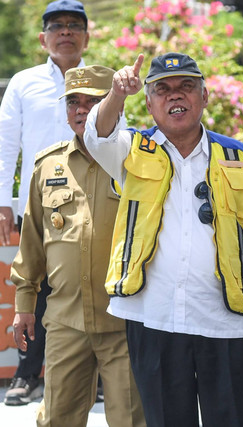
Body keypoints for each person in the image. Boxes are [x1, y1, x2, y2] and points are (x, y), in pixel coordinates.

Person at [83, 52, 243, 427]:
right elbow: (96, 136)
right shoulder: (132, 149)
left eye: (186, 87)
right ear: (149, 103)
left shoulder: (238, 155)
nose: (175, 96)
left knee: (232, 420)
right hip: (155, 317)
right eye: (163, 90)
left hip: (224, 318)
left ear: (203, 97)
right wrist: (117, 94)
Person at [11, 65, 145, 427]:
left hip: (125, 323)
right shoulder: (47, 165)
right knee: (58, 419)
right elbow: (33, 244)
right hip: (66, 321)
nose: (81, 110)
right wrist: (24, 305)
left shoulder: (137, 160)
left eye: (93, 101)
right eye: (73, 101)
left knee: (131, 421)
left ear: (112, 105)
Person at [0, 0, 90, 406]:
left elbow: (117, 140)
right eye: (57, 26)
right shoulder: (23, 82)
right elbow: (5, 145)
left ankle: (97, 373)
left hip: (91, 203)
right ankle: (26, 373)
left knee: (90, 286)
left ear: (87, 36)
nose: (66, 32)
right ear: (43, 37)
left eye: (74, 25)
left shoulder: (100, 79)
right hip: (39, 203)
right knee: (33, 286)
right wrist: (3, 200)